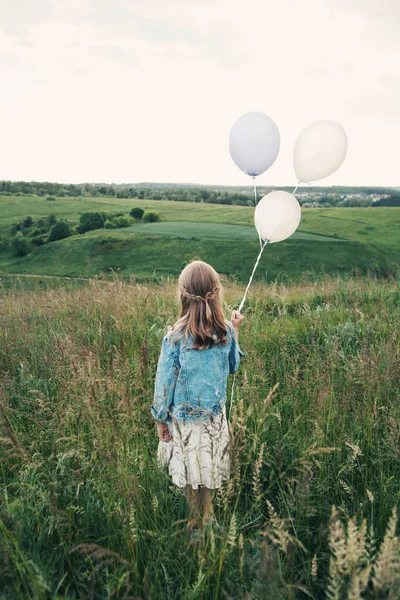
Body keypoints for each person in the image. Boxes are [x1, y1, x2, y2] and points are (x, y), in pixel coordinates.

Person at [150, 260, 245, 542]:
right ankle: (208, 517)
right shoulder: (225, 331)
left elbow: (163, 384)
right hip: (214, 420)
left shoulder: (175, 337)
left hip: (184, 422)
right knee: (208, 467)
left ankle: (195, 523)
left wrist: (160, 419)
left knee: (191, 471)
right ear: (216, 294)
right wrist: (236, 331)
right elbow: (232, 367)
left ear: (182, 294)